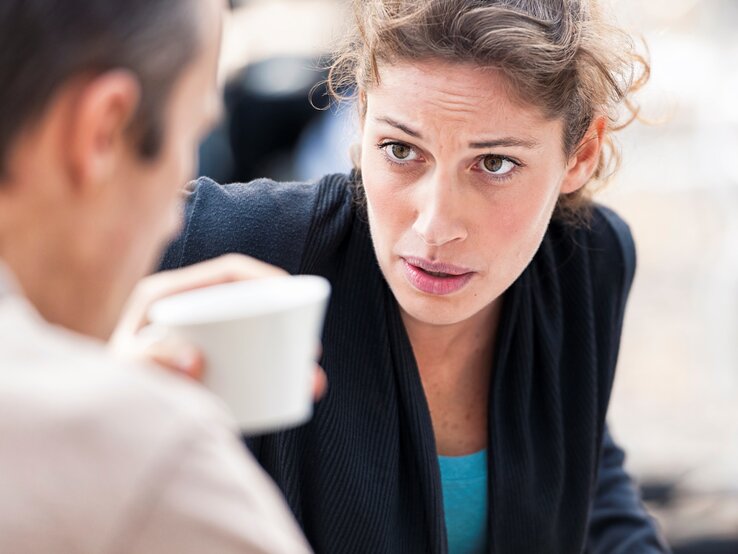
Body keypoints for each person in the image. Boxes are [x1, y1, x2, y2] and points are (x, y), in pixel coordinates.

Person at [161, 0, 670, 552]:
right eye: (401, 149)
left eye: (494, 163)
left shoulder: (587, 261)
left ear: (581, 155)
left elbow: (586, 470)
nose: (435, 226)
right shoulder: (239, 249)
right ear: (360, 122)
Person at [0, 0, 313, 552]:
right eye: (191, 138)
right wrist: (124, 423)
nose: (177, 219)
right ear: (105, 129)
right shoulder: (150, 452)